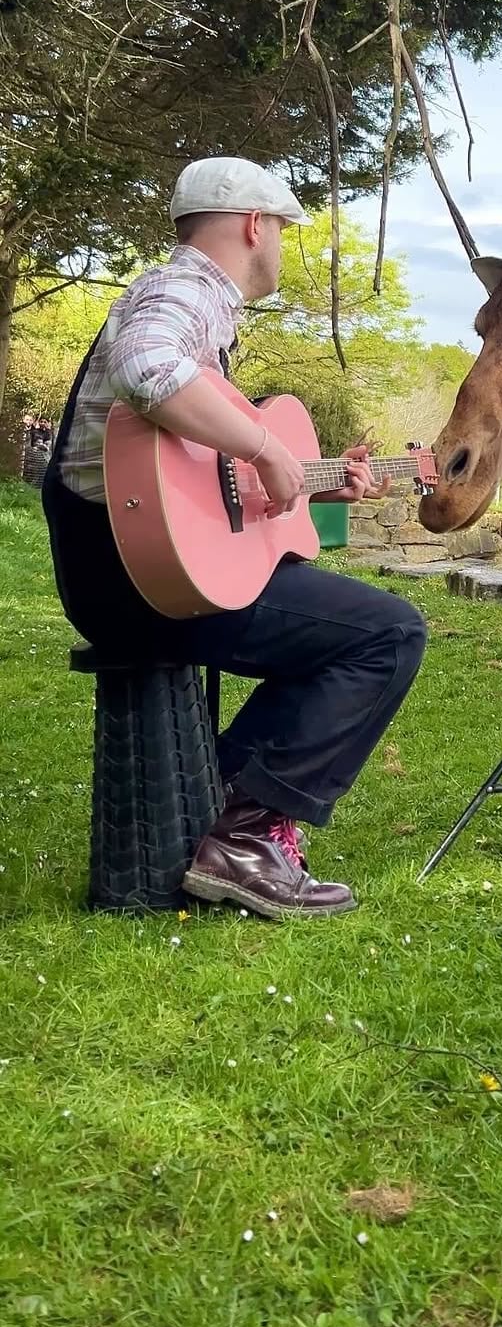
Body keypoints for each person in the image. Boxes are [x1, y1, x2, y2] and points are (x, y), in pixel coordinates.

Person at [42, 157, 427, 921]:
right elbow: (147, 367)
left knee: (356, 629)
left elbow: (198, 477)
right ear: (255, 225)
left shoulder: (202, 316)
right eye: (281, 229)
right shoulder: (184, 290)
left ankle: (217, 806)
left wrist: (312, 479)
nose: (281, 245)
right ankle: (247, 837)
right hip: (137, 581)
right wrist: (264, 446)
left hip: (131, 573)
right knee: (386, 636)